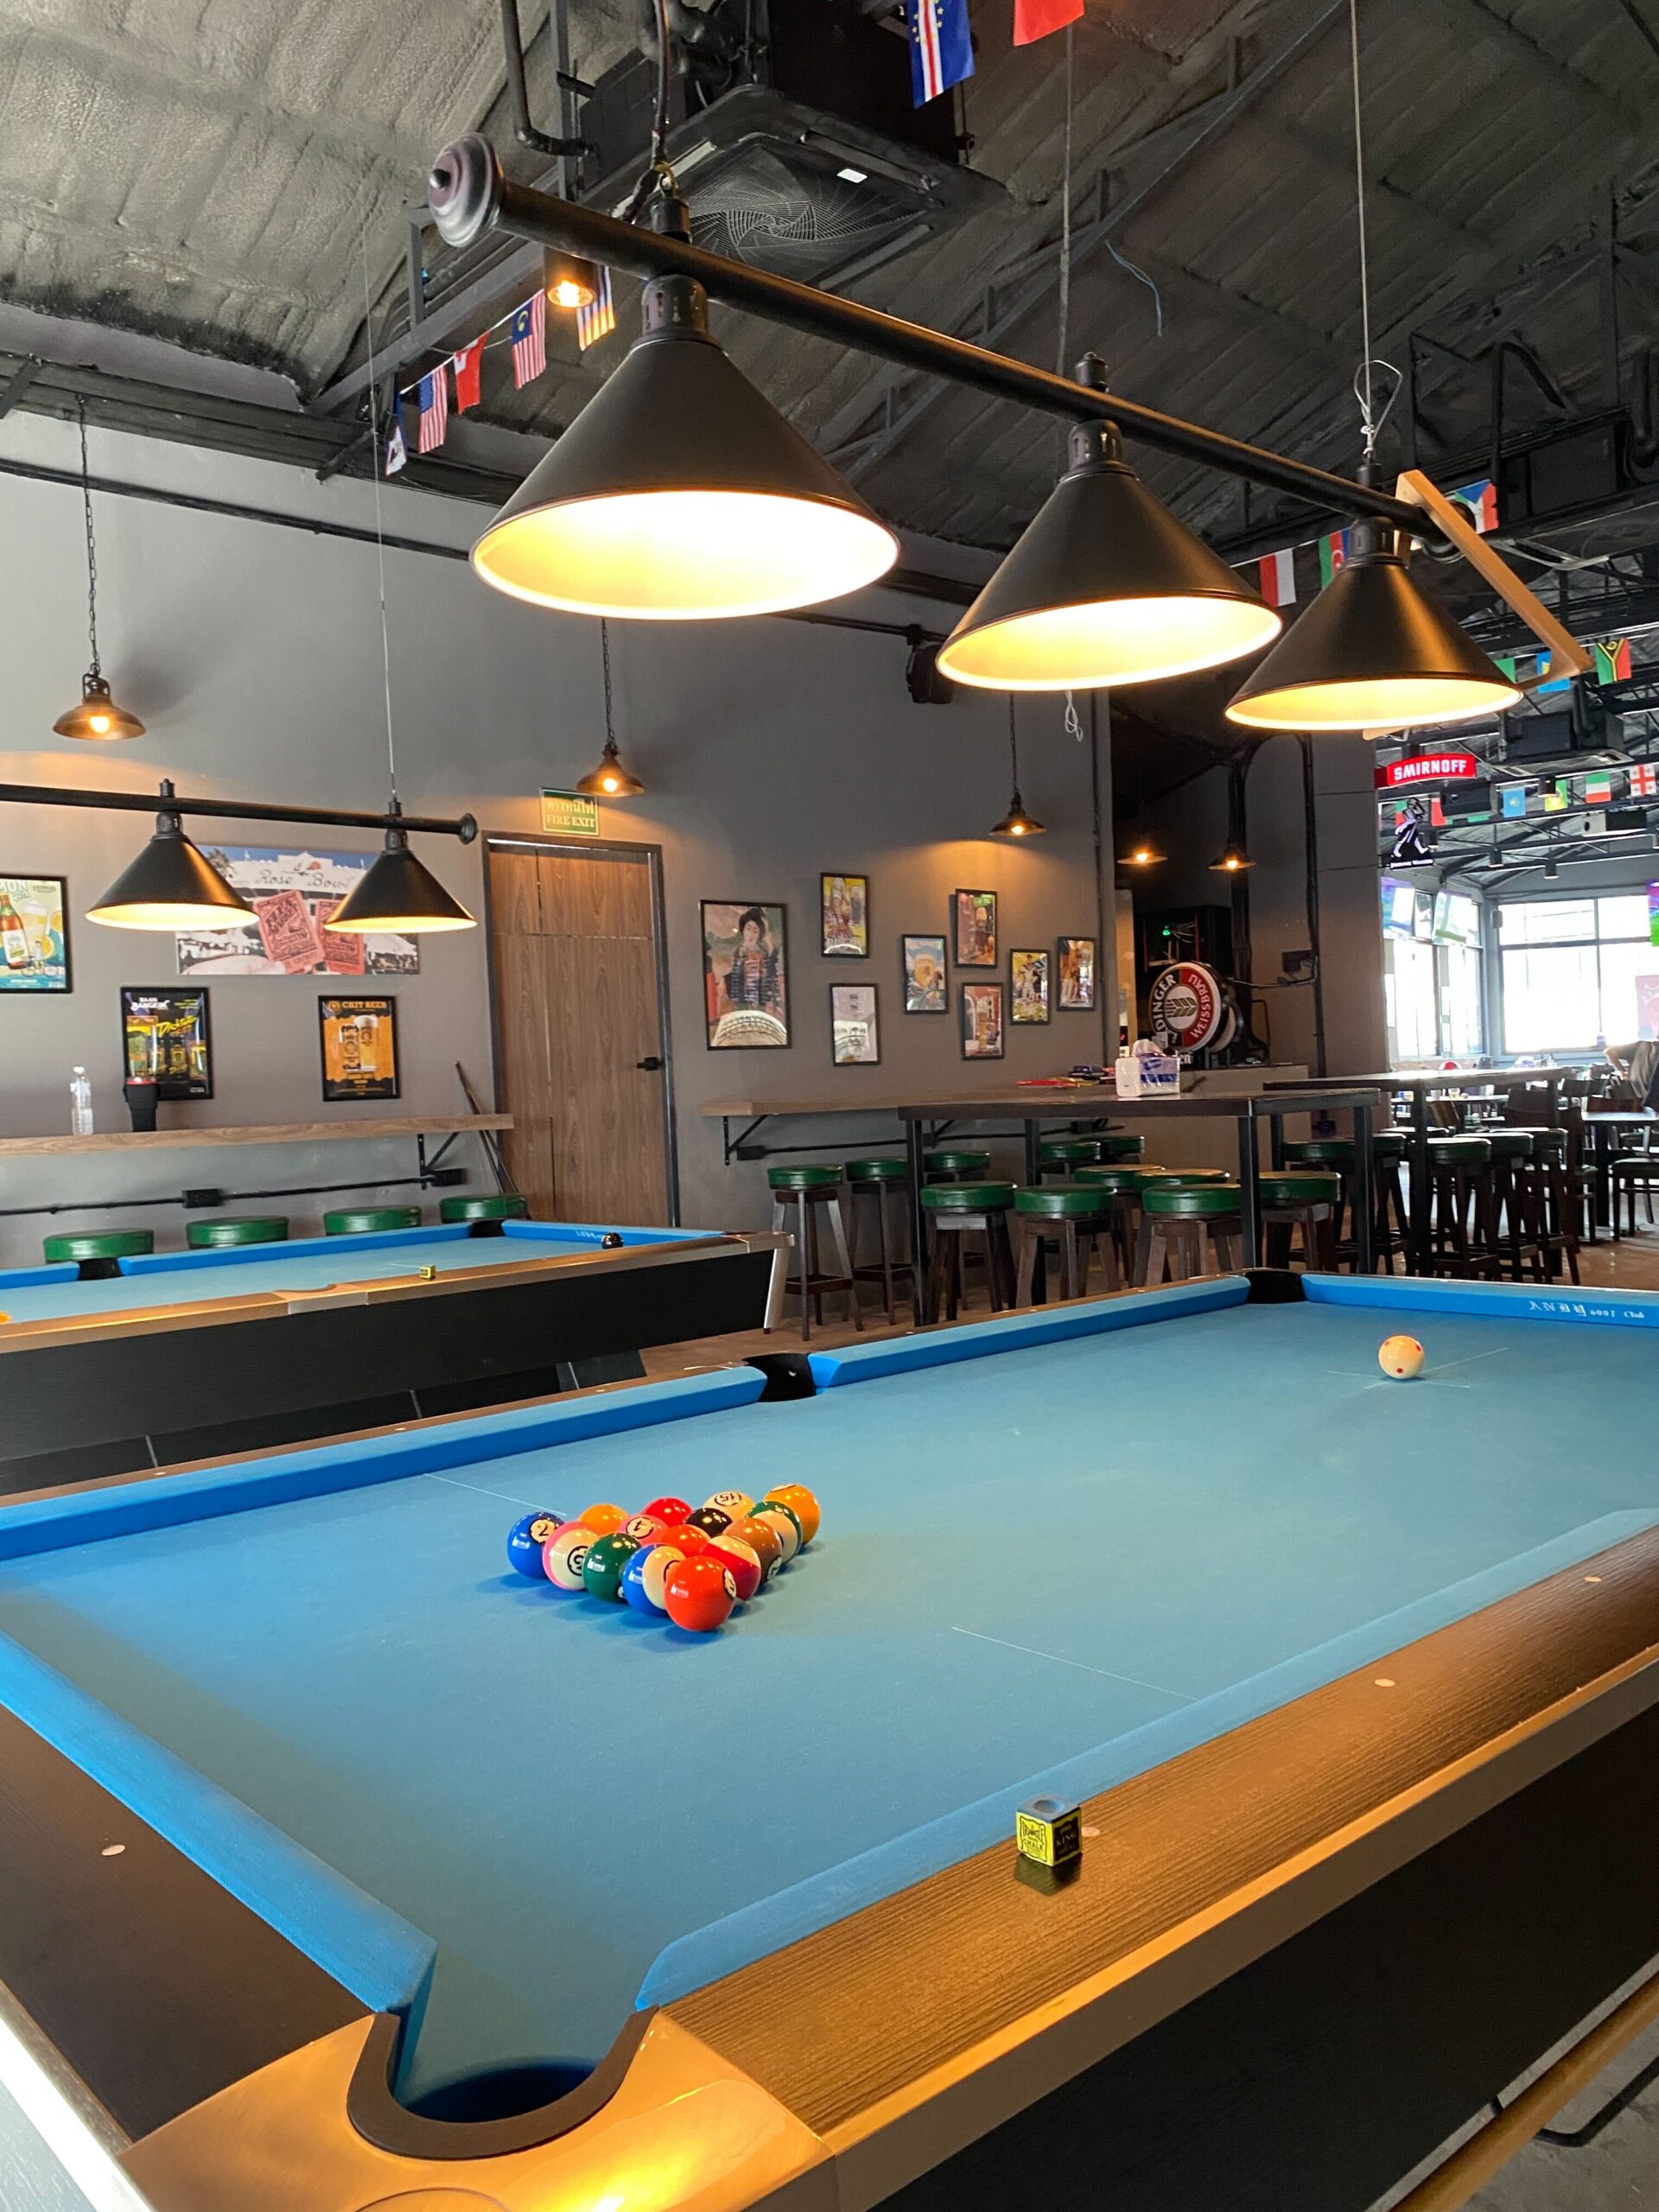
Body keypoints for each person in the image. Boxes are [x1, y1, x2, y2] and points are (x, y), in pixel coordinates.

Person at [1605, 1038, 1659, 1109]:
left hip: (1637, 1099)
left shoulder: (1640, 1046)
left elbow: (1609, 1052)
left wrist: (1622, 1071)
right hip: (1650, 1100)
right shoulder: (1641, 1047)